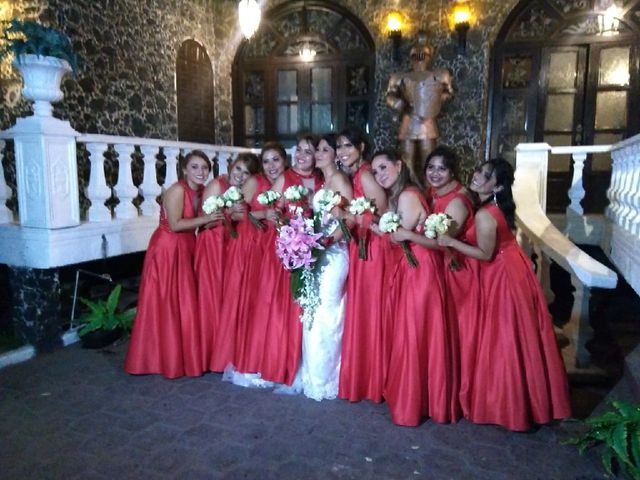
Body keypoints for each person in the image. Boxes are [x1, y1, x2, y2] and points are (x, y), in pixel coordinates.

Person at [437, 159, 571, 431]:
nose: (476, 177)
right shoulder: (489, 207)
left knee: (504, 339)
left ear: (497, 186)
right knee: (513, 338)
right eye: (478, 171)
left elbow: (486, 255)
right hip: (510, 267)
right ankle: (524, 400)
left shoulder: (486, 214)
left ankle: (509, 405)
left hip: (502, 275)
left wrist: (451, 242)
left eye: (485, 176)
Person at [371, 149, 453, 426]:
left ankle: (412, 404)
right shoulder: (404, 193)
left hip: (419, 269)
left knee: (413, 333)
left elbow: (398, 239)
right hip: (414, 266)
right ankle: (418, 398)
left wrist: (370, 225)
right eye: (375, 171)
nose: (379, 174)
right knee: (413, 332)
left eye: (383, 167)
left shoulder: (406, 195)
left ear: (398, 165)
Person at [125, 150, 216, 379]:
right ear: (185, 169)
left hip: (187, 247)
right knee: (166, 303)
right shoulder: (177, 190)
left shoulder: (204, 191)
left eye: (204, 167)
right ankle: (160, 358)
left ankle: (183, 355)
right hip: (168, 249)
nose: (200, 172)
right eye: (194, 167)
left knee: (183, 303)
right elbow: (175, 225)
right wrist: (206, 219)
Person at [293, 133, 353, 401]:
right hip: (318, 252)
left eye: (325, 150)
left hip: (333, 255)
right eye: (317, 150)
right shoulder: (322, 182)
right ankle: (312, 375)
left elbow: (348, 220)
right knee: (312, 311)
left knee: (327, 314)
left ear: (334, 155)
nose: (318, 154)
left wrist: (323, 244)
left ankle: (327, 379)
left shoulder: (339, 180)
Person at [335, 126, 388, 403]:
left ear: (361, 148)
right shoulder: (353, 175)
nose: (342, 151)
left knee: (370, 308)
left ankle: (372, 377)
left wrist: (350, 216)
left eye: (348, 146)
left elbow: (383, 216)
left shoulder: (365, 175)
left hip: (374, 248)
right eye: (339, 146)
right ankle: (364, 374)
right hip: (361, 245)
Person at [195, 153, 260, 372]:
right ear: (231, 166)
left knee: (223, 298)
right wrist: (229, 214)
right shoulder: (217, 184)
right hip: (212, 243)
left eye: (246, 173)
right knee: (210, 297)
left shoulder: (242, 192)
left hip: (227, 245)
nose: (240, 176)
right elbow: (206, 218)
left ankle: (220, 351)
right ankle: (206, 354)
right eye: (238, 169)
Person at [425, 145, 475, 420]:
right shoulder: (434, 193)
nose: (435, 173)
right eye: (431, 167)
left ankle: (452, 393)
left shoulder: (457, 200)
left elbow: (444, 240)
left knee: (455, 332)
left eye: (441, 168)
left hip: (455, 270)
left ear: (452, 171)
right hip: (440, 267)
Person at [385, 31, 454, 186]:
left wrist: (436, 99)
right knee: (406, 159)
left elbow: (448, 93)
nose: (420, 56)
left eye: (424, 53)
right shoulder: (399, 76)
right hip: (408, 118)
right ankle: (409, 188)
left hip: (427, 120)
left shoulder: (439, 75)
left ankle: (428, 190)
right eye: (417, 54)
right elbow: (389, 95)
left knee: (428, 159)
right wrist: (397, 103)